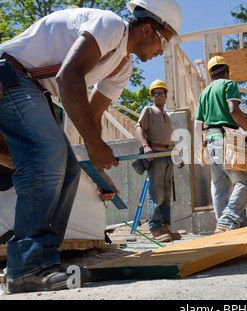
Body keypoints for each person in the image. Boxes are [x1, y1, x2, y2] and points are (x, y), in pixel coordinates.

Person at [0, 0, 182, 293]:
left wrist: (99, 169)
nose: (162, 51)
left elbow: (93, 114)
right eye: (164, 42)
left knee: (70, 171)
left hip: (31, 88)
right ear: (148, 29)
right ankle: (27, 265)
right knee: (45, 154)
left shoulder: (123, 66)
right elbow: (68, 76)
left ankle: (44, 261)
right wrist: (95, 145)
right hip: (9, 74)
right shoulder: (110, 25)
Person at [194, 56, 247, 234]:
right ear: (227, 71)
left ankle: (223, 226)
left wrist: (200, 146)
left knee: (219, 186)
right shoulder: (228, 85)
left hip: (210, 140)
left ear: (210, 74)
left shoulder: (204, 93)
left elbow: (197, 124)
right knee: (243, 180)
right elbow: (233, 110)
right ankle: (228, 220)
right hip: (227, 137)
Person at [135, 79, 184, 242]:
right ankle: (156, 229)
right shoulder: (148, 110)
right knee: (156, 193)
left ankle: (165, 228)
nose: (159, 96)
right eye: (156, 93)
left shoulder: (166, 116)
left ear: (165, 96)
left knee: (166, 194)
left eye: (162, 93)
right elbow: (139, 128)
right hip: (155, 155)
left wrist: (176, 155)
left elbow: (169, 140)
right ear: (152, 96)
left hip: (167, 155)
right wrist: (145, 146)